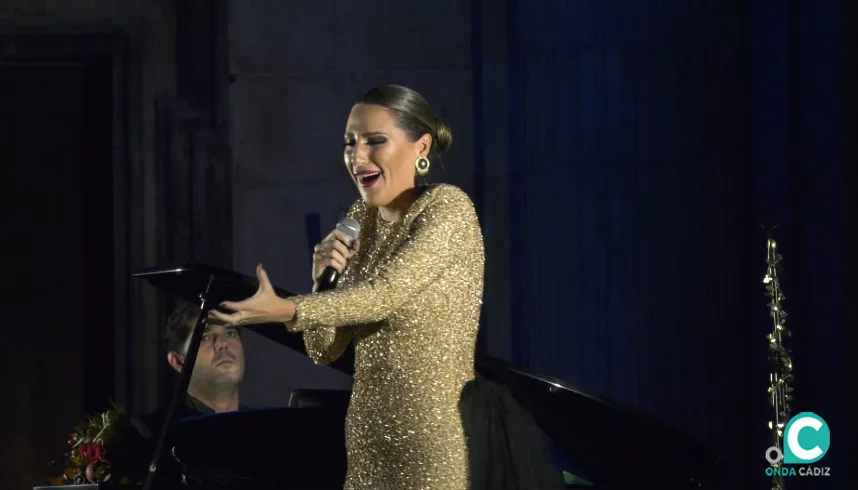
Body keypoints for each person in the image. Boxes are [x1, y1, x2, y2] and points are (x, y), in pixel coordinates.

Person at [208, 85, 562, 490]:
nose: (357, 157)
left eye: (375, 141)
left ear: (421, 146)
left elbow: (384, 295)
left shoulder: (448, 208)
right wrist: (321, 279)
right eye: (349, 143)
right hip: (367, 441)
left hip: (431, 444)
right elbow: (323, 350)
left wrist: (290, 309)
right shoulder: (362, 217)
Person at [137, 300, 248, 440]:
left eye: (231, 333)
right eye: (205, 337)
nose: (222, 344)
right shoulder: (153, 434)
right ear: (177, 362)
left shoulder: (264, 430)